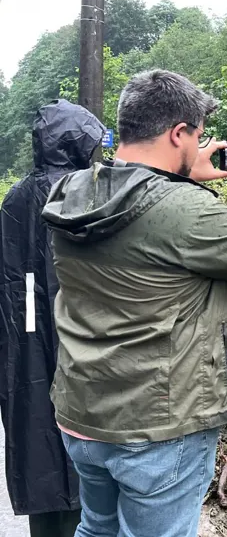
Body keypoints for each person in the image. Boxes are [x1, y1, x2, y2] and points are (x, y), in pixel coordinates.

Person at [42, 70, 227, 536]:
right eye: (196, 137)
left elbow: (142, 209)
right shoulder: (183, 209)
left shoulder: (73, 190)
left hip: (82, 411)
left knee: (96, 528)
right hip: (156, 425)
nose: (198, 146)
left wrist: (181, 174)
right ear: (179, 133)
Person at [0, 100, 105, 537]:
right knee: (88, 444)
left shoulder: (16, 198)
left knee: (36, 430)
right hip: (85, 338)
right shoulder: (92, 192)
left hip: (25, 341)